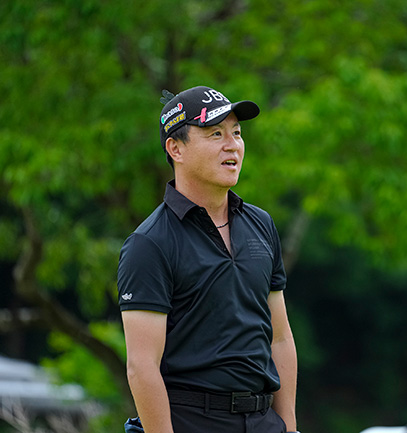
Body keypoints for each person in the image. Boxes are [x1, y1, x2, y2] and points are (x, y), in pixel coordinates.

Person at [117, 85, 298, 433]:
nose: (233, 145)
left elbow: (280, 338)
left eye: (237, 133)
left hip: (264, 421)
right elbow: (142, 367)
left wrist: (288, 427)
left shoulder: (262, 224)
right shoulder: (149, 243)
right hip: (191, 422)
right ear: (176, 148)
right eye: (216, 134)